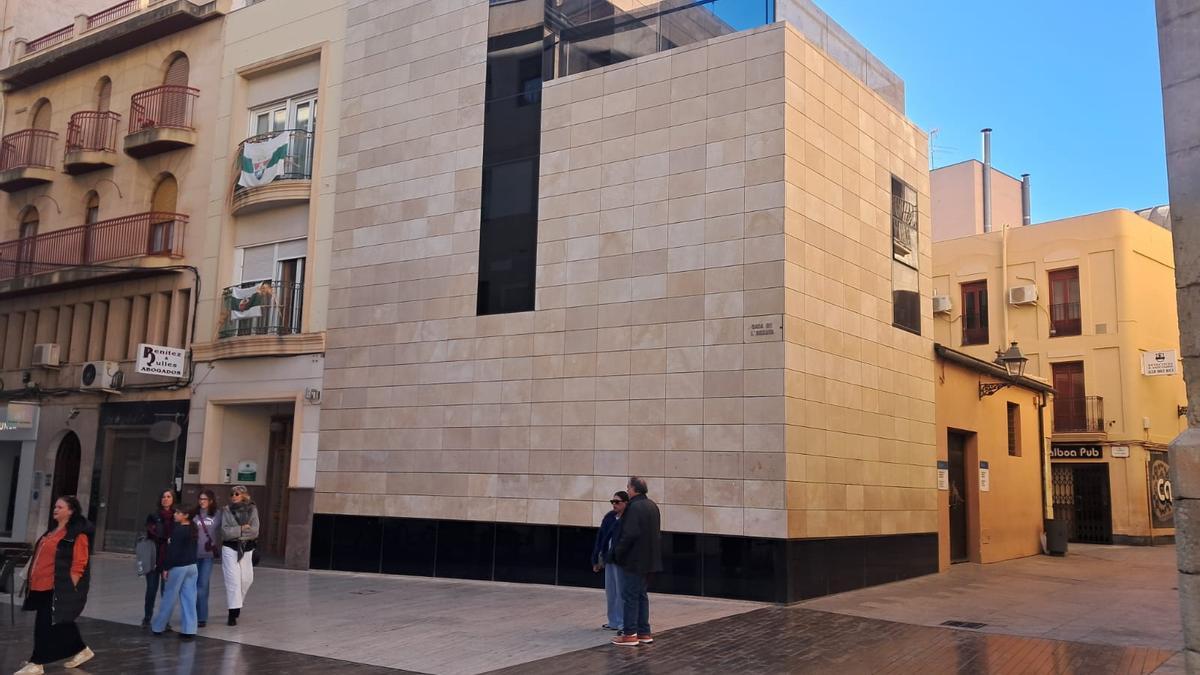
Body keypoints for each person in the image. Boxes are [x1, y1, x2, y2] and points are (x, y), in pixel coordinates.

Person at [16, 496, 95, 674]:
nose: (55, 509)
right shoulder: (52, 531)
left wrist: (69, 589)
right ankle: (82, 650)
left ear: (71, 511)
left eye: (60, 507)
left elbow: (79, 563)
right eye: (55, 507)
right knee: (60, 623)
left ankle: (36, 663)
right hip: (40, 584)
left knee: (44, 624)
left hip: (58, 586)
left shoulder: (76, 534)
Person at [610, 476, 662, 647]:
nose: (627, 490)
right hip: (650, 560)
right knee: (641, 595)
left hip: (635, 559)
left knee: (630, 596)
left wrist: (618, 552)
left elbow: (629, 534)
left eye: (628, 488)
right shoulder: (652, 506)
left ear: (634, 489)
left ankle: (630, 634)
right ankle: (644, 632)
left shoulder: (634, 507)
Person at [151, 505, 199, 639]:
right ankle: (189, 630)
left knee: (169, 597)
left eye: (178, 513)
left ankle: (158, 626)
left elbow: (173, 552)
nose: (175, 514)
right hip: (192, 566)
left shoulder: (178, 530)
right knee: (189, 598)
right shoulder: (193, 528)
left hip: (178, 567)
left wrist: (166, 568)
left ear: (186, 515)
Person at [220, 485, 259, 626]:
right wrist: (242, 529)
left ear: (244, 495)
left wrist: (236, 533)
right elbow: (225, 532)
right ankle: (232, 612)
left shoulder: (252, 509)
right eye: (232, 494)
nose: (234, 496)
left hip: (247, 549)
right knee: (233, 581)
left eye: (236, 494)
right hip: (230, 548)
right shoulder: (226, 510)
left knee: (247, 579)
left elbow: (255, 531)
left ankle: (237, 603)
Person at [591, 491, 628, 631]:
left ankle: (623, 622)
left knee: (621, 591)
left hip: (621, 560)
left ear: (625, 503)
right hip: (609, 558)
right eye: (612, 502)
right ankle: (613, 620)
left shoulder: (628, 519)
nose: (614, 505)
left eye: (617, 502)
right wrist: (596, 560)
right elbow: (601, 539)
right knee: (611, 591)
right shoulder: (609, 518)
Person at [142, 489, 177, 628]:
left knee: (166, 590)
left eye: (168, 497)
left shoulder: (176, 515)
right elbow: (151, 532)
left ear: (173, 499)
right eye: (163, 497)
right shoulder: (153, 515)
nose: (166, 499)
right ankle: (147, 617)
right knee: (151, 588)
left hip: (168, 557)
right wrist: (165, 538)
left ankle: (165, 620)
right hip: (153, 556)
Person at [193, 489, 221, 628]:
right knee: (194, 586)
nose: (202, 501)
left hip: (207, 556)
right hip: (193, 555)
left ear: (211, 501)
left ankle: (202, 617)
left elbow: (226, 528)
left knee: (202, 585)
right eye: (200, 499)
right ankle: (194, 614)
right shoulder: (194, 515)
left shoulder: (217, 514)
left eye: (205, 499)